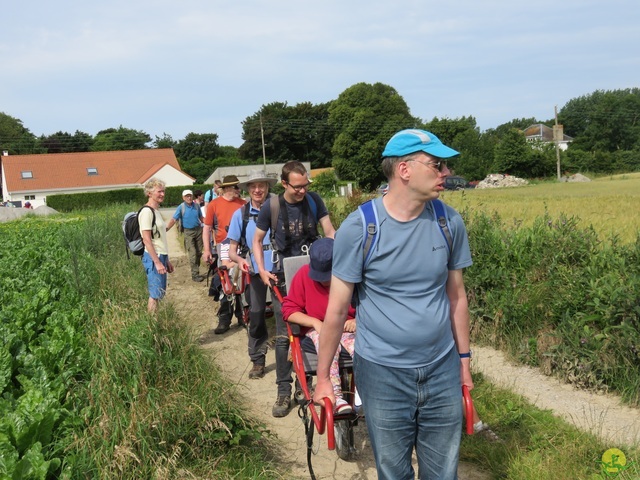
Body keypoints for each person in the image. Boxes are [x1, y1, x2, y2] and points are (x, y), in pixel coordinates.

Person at [313, 129, 474, 479]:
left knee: (443, 471)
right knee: (393, 471)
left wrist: (464, 362)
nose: (445, 172)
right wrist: (323, 378)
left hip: (441, 368)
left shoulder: (449, 223)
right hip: (382, 373)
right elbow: (337, 310)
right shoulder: (361, 228)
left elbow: (457, 297)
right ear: (405, 169)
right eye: (437, 164)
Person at [253, 160, 336, 418]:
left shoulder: (314, 201)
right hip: (282, 275)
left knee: (315, 326)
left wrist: (336, 255)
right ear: (285, 183)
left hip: (314, 271)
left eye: (305, 186)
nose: (302, 191)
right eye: (297, 187)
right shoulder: (273, 206)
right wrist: (262, 270)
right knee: (284, 333)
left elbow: (330, 230)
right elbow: (257, 239)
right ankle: (283, 390)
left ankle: (308, 383)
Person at [281, 238, 356, 415]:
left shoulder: (352, 275)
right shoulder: (303, 275)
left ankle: (365, 393)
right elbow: (289, 310)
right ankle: (335, 395)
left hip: (348, 328)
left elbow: (370, 304)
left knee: (362, 348)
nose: (324, 282)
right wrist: (315, 322)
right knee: (327, 344)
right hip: (318, 330)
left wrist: (357, 321)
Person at [227, 170, 278, 380]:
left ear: (267, 188)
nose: (258, 190)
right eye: (254, 186)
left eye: (262, 186)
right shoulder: (241, 214)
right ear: (248, 189)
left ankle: (291, 358)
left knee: (286, 314)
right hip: (255, 272)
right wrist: (240, 261)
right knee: (256, 314)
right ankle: (258, 359)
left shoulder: (278, 210)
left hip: (277, 270)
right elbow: (231, 249)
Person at [202, 175, 246, 334]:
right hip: (224, 246)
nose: (238, 190)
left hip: (242, 245)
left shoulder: (243, 204)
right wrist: (207, 250)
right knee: (225, 282)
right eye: (235, 187)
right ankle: (225, 318)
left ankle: (242, 315)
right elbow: (206, 229)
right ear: (227, 188)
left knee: (242, 280)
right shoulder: (214, 205)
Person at [139, 177, 174, 313]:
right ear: (149, 193)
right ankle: (151, 327)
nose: (162, 194)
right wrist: (158, 262)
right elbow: (147, 240)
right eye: (159, 191)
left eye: (163, 191)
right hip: (154, 258)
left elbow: (160, 238)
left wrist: (167, 260)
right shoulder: (146, 212)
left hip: (160, 256)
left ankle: (155, 322)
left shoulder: (156, 212)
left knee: (159, 293)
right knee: (154, 294)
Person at [166, 189, 205, 282]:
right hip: (188, 232)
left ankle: (196, 268)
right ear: (183, 198)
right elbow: (174, 219)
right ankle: (195, 274)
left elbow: (201, 217)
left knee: (199, 252)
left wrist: (209, 224)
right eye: (187, 196)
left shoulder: (196, 206)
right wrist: (166, 228)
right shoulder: (181, 207)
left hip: (198, 230)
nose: (189, 197)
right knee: (193, 253)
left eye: (190, 196)